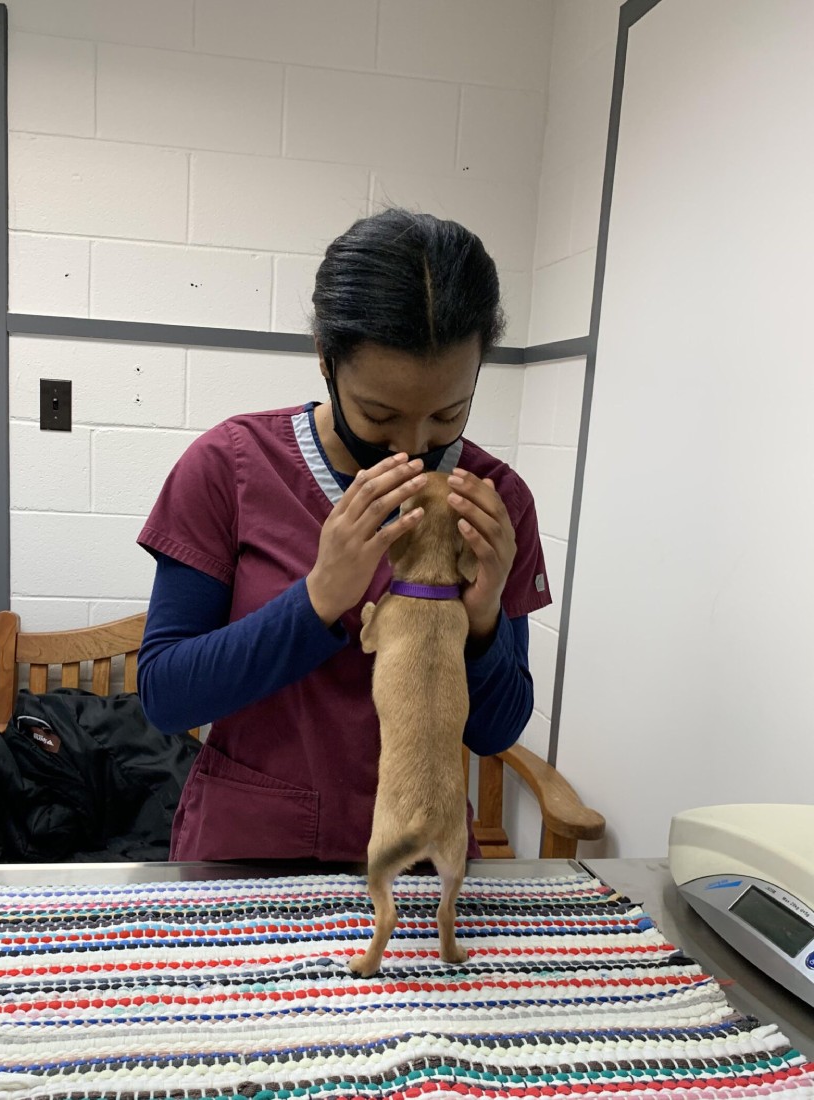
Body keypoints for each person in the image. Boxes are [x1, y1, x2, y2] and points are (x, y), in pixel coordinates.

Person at [136, 208, 551, 864]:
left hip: (422, 860)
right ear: (325, 359)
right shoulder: (230, 468)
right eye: (378, 414)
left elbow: (497, 729)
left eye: (448, 413)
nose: (413, 448)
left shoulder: (496, 502)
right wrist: (318, 599)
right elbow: (165, 696)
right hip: (249, 857)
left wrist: (482, 624)